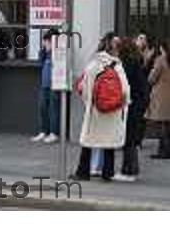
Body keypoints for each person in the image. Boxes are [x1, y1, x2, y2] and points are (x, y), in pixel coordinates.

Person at [71, 32, 130, 181]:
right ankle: (107, 173)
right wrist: (120, 105)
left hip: (96, 110)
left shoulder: (94, 64)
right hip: (113, 111)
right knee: (109, 142)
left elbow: (85, 88)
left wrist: (89, 103)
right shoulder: (118, 65)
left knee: (88, 141)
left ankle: (83, 172)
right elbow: (125, 91)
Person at [115, 37, 149, 180]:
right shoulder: (135, 62)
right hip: (138, 104)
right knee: (131, 140)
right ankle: (130, 170)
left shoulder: (126, 64)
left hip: (131, 104)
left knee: (128, 139)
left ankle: (128, 171)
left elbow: (125, 85)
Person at [32, 30, 61, 144]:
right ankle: (44, 131)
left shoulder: (59, 51)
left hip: (55, 83)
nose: (45, 43)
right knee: (43, 107)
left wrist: (51, 51)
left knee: (53, 109)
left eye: (47, 41)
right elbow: (40, 61)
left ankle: (54, 133)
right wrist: (45, 50)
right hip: (45, 83)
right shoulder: (45, 51)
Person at [146, 41, 170, 159]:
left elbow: (151, 78)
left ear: (162, 48)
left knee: (162, 125)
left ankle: (163, 152)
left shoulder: (161, 60)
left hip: (161, 97)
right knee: (167, 124)